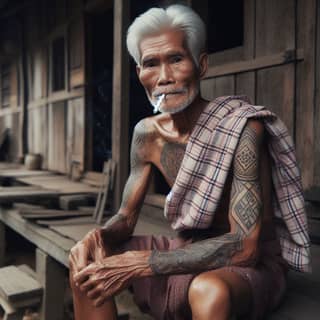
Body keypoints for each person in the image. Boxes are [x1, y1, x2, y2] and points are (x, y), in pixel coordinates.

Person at [69, 5, 311, 320]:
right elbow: (126, 219)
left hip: (250, 262)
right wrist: (97, 236)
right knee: (86, 263)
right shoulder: (146, 134)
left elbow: (244, 247)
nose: (165, 77)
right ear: (140, 74)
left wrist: (143, 262)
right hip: (188, 245)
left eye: (176, 59)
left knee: (208, 292)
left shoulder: (242, 129)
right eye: (151, 64)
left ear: (201, 65)